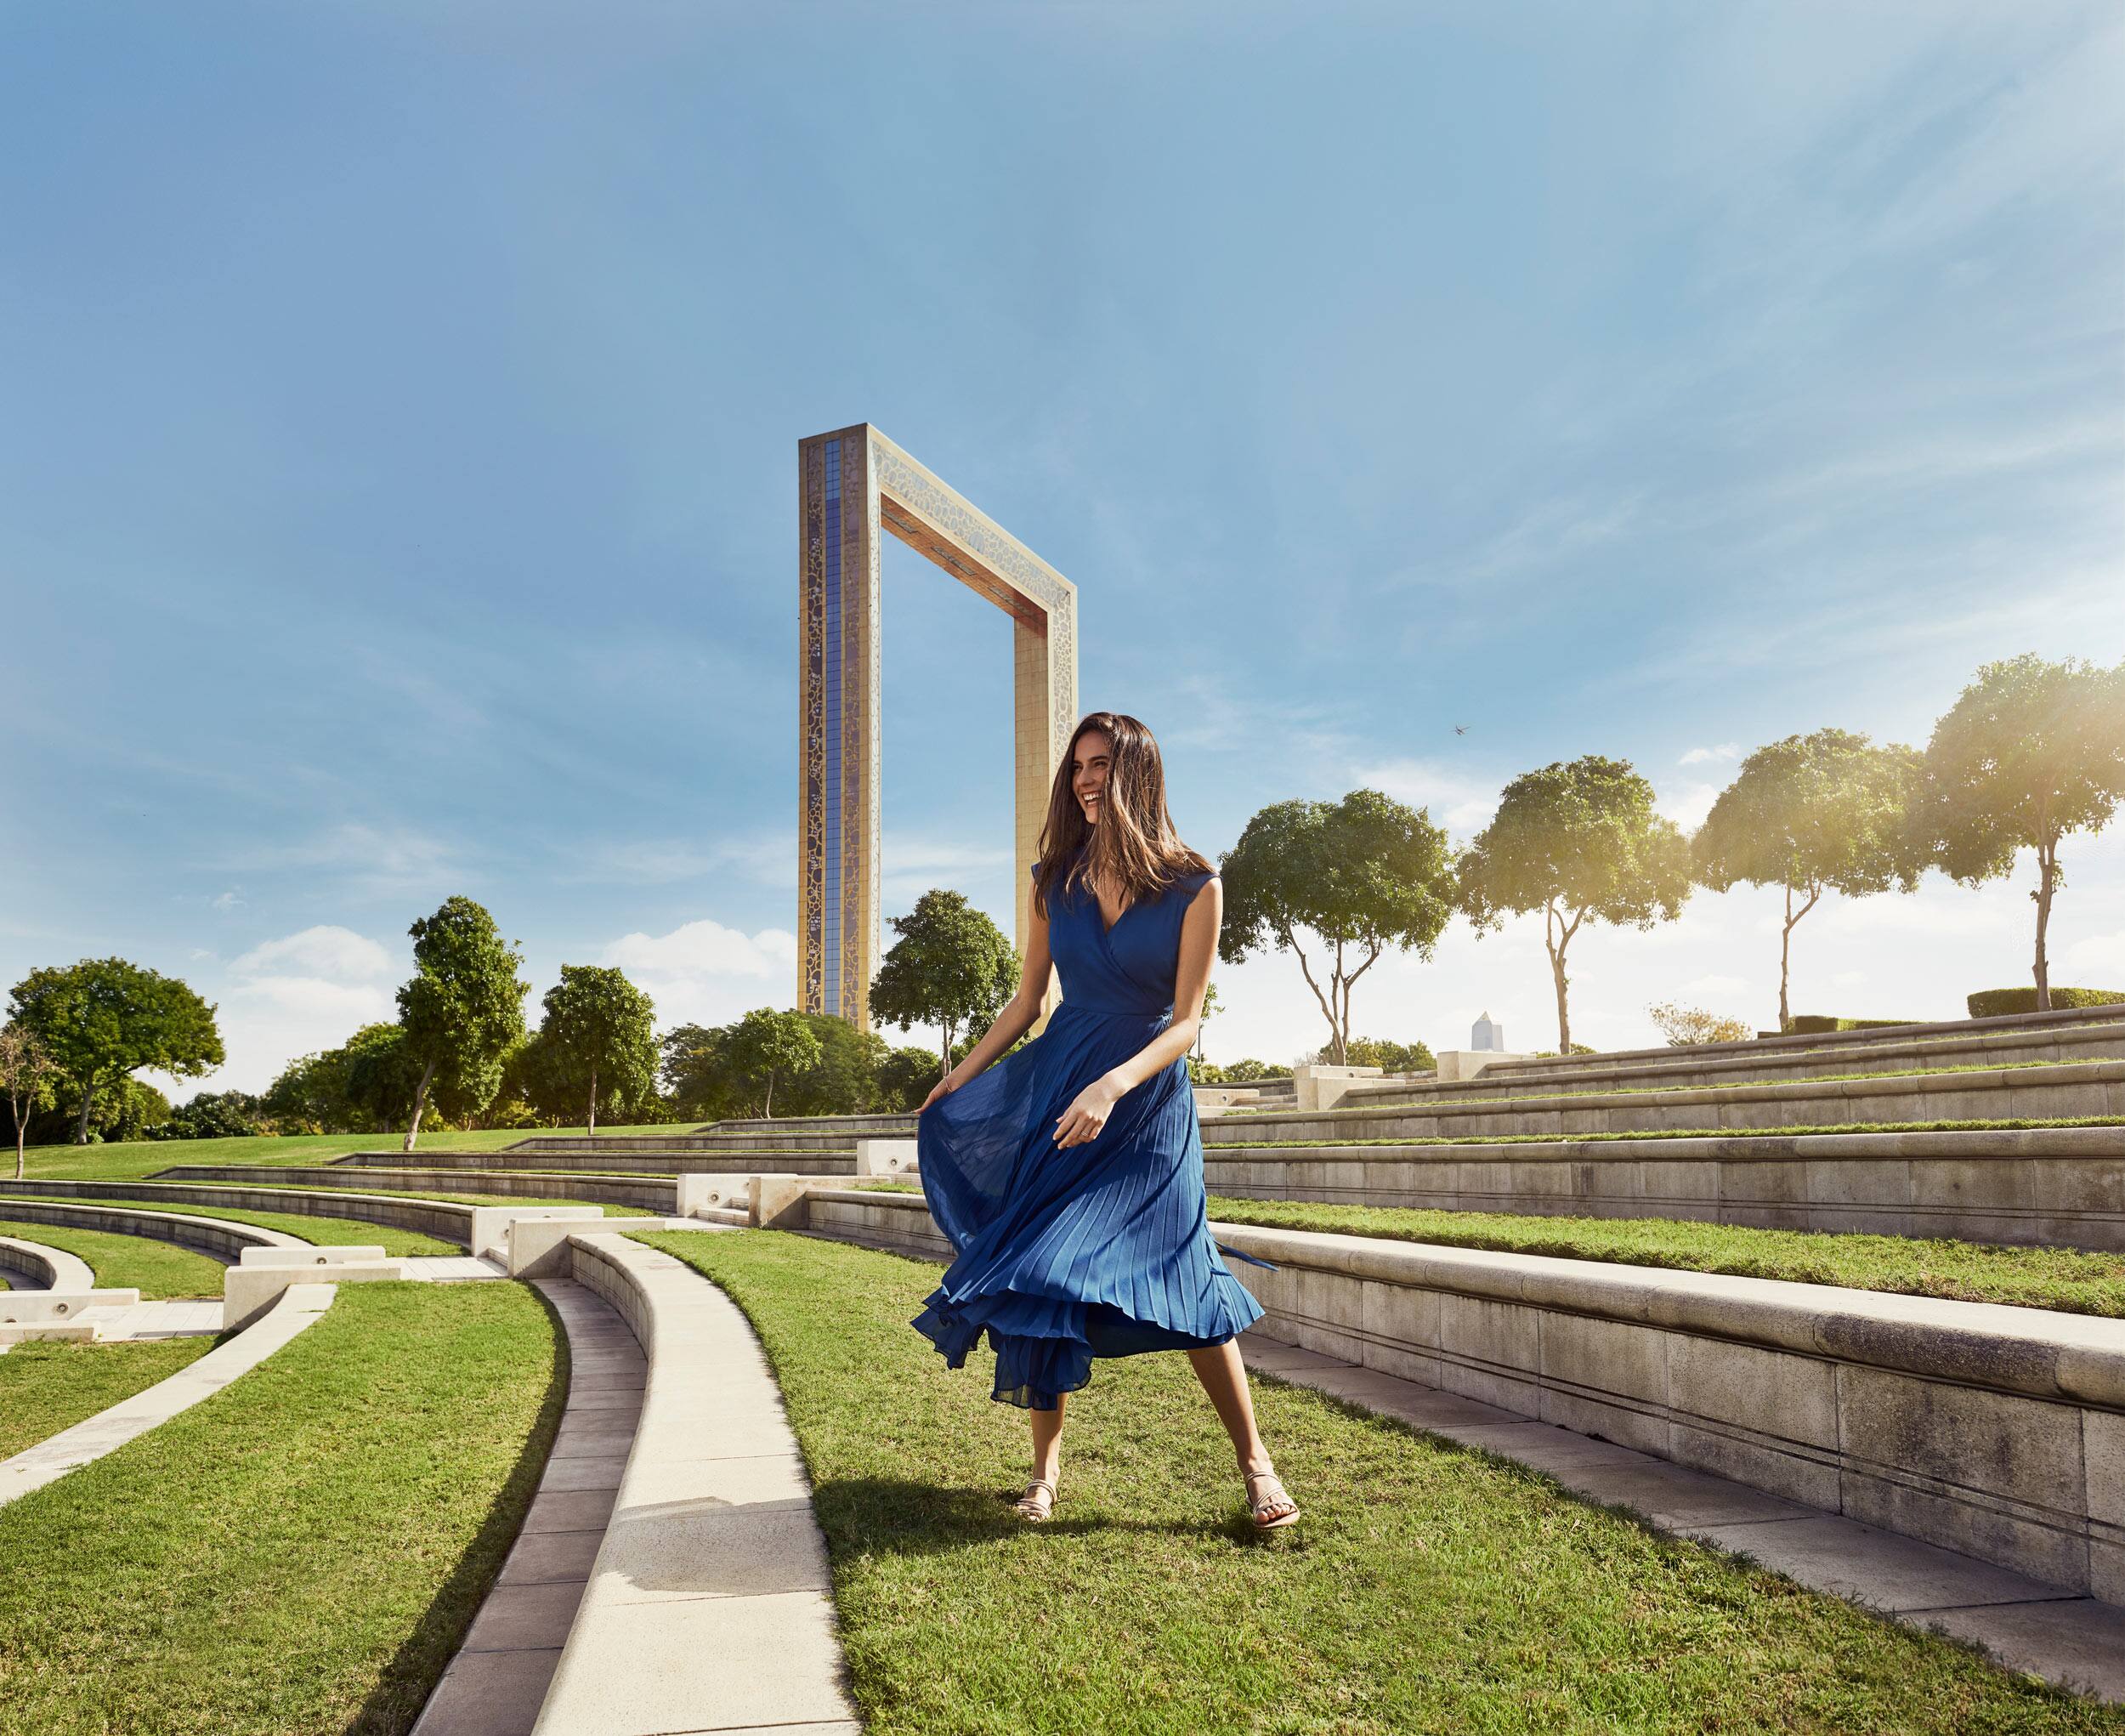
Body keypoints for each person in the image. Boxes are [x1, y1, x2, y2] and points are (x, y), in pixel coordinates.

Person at [910, 710, 1299, 1531]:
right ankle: (1044, 1474)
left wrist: (1114, 1086)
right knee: (1042, 1273)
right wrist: (959, 1077)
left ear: (1138, 776)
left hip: (1146, 1105)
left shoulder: (1196, 883)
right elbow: (1028, 1000)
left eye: (1102, 767)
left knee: (1186, 1270)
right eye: (1079, 767)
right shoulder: (1053, 880)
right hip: (1062, 1094)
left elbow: (1187, 1023)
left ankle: (1256, 1465)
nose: (1086, 781)